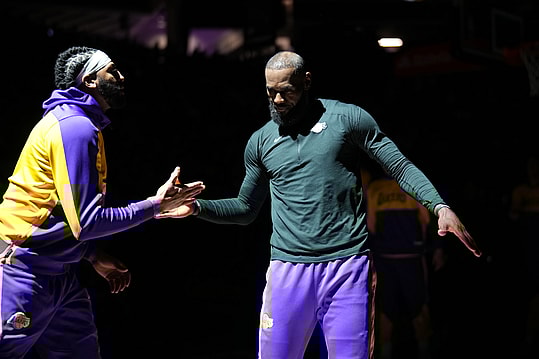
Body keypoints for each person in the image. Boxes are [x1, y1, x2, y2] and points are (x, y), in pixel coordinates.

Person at [158, 50, 481, 359]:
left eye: (286, 91)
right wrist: (198, 208)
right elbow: (246, 209)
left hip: (347, 267)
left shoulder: (348, 119)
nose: (278, 100)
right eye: (271, 92)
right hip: (287, 269)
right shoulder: (260, 141)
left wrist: (439, 207)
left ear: (307, 82)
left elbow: (398, 166)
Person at [0, 46, 205, 359]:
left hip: (61, 277)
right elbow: (87, 222)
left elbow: (59, 213)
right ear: (91, 81)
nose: (121, 76)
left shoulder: (80, 124)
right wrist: (155, 206)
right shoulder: (75, 128)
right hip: (22, 275)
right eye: (112, 70)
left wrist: (92, 254)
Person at [365, 169, 446, 359]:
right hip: (384, 260)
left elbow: (429, 220)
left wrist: (438, 248)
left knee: (420, 310)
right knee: (384, 312)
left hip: (412, 259)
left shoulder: (414, 183)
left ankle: (424, 350)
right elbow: (370, 225)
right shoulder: (374, 188)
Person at [509, 154, 539, 358]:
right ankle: (527, 339)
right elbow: (513, 215)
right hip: (528, 244)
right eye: (531, 166)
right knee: (530, 292)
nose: (534, 169)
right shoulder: (521, 191)